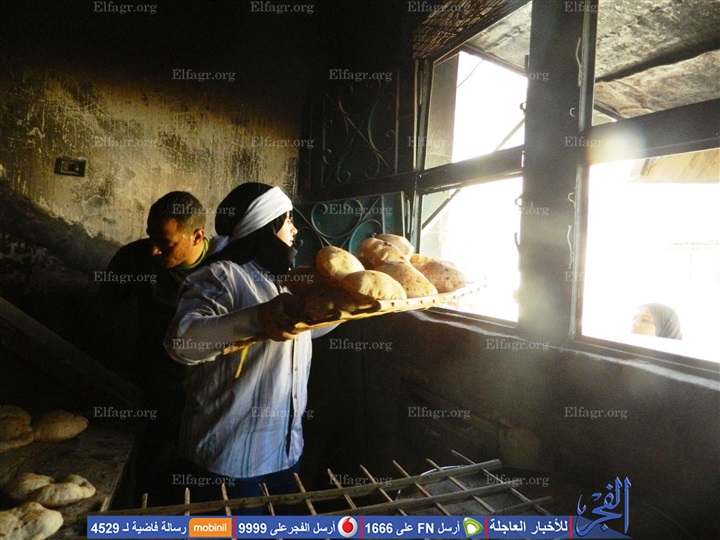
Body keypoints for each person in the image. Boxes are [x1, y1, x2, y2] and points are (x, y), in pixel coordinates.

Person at [164, 182, 333, 514]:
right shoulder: (221, 276)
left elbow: (305, 333)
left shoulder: (286, 281)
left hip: (284, 454)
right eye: (287, 220)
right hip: (228, 463)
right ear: (266, 224)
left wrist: (351, 303)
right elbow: (181, 342)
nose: (294, 230)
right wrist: (257, 317)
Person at [95, 191, 227, 502]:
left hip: (209, 390)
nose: (154, 249)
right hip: (154, 385)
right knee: (149, 468)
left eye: (165, 243)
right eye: (151, 237)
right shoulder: (135, 259)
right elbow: (106, 314)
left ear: (197, 236)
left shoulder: (226, 269)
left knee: (195, 474)